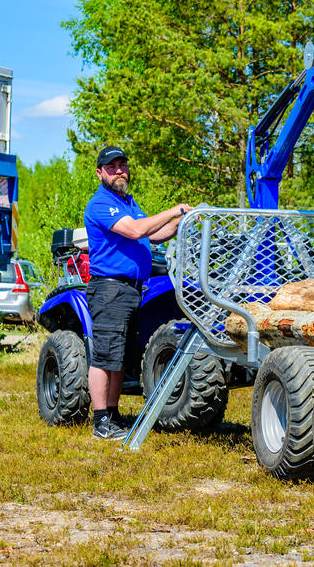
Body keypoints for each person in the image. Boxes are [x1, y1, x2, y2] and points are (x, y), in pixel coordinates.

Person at [84, 145, 190, 440]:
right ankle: (100, 421)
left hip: (131, 290)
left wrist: (182, 221)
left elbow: (154, 233)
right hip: (110, 289)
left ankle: (113, 416)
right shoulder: (101, 203)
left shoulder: (128, 202)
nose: (119, 170)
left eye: (122, 164)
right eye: (111, 166)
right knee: (105, 356)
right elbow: (135, 231)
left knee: (120, 356)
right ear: (100, 173)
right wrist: (173, 210)